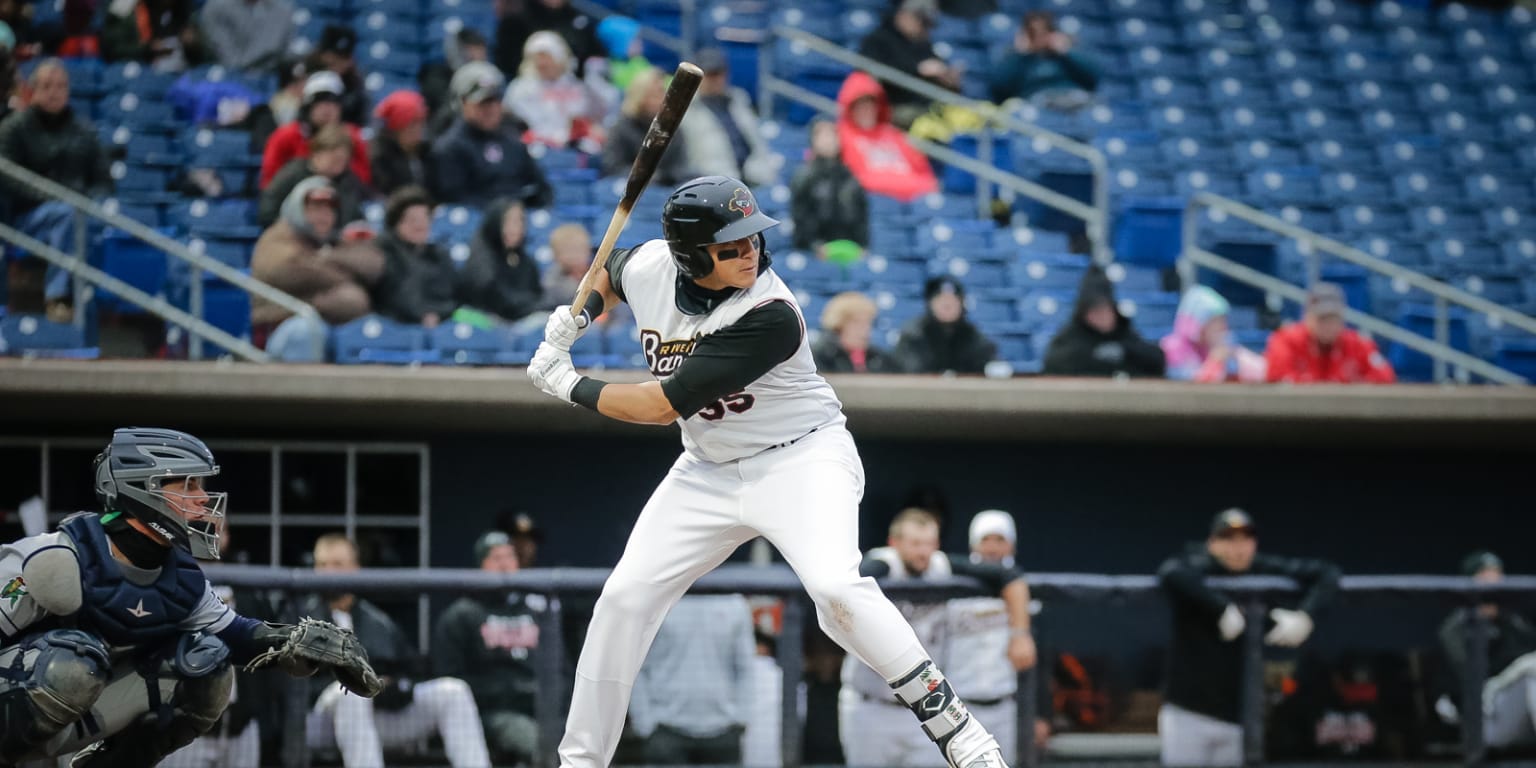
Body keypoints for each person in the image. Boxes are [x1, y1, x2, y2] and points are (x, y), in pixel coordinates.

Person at [526, 175, 1014, 768]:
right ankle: (580, 762)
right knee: (623, 600)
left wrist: (567, 382)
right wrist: (583, 315)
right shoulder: (653, 263)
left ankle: (958, 730)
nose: (748, 252)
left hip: (801, 458)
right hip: (708, 467)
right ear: (688, 255)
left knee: (837, 592)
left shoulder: (771, 312)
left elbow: (658, 407)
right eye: (729, 246)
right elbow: (609, 269)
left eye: (753, 238)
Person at [0, 428, 377, 766]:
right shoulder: (56, 556)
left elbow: (237, 636)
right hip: (14, 712)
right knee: (72, 662)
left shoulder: (180, 577)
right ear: (142, 487)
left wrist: (294, 642)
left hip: (70, 728)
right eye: (188, 486)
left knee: (207, 663)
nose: (202, 499)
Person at [839, 508, 1034, 767]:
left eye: (929, 543)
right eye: (915, 544)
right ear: (894, 543)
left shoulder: (940, 565)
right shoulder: (882, 565)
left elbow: (1010, 576)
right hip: (871, 704)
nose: (923, 552)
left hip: (922, 708)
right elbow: (844, 588)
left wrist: (1020, 634)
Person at [1157, 509, 1342, 767]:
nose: (1237, 548)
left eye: (1244, 539)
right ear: (1212, 543)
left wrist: (1305, 616)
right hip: (1188, 711)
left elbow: (1328, 572)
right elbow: (1169, 572)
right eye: (1228, 539)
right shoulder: (1196, 566)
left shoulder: (1260, 568)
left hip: (1237, 714)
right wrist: (1221, 608)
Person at [300, 533, 493, 768]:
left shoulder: (377, 622)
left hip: (369, 722)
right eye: (322, 565)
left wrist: (394, 685)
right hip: (316, 723)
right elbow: (287, 683)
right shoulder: (299, 619)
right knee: (350, 692)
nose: (328, 572)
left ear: (356, 568)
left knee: (453, 691)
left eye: (338, 564)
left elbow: (412, 671)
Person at [0, 59, 111, 318]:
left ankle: (94, 303)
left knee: (88, 220)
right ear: (33, 90)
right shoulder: (14, 128)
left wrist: (90, 199)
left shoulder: (83, 131)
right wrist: (55, 198)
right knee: (66, 214)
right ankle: (57, 297)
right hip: (25, 218)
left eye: (61, 86)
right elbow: (7, 177)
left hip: (77, 212)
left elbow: (103, 179)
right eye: (47, 86)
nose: (54, 92)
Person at [432, 531, 544, 765]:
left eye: (510, 557)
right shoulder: (461, 615)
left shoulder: (537, 612)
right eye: (496, 558)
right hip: (489, 715)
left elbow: (560, 669)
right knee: (534, 739)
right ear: (481, 565)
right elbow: (451, 684)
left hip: (541, 710)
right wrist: (510, 691)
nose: (504, 564)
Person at [250, 177, 383, 359]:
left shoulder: (331, 240)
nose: (323, 216)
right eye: (315, 209)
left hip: (330, 322)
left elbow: (374, 264)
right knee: (305, 331)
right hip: (278, 327)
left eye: (329, 210)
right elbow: (287, 269)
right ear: (297, 209)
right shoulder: (277, 236)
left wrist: (327, 257)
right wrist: (345, 278)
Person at [630, 594, 757, 765]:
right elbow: (637, 666)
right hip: (666, 731)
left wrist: (741, 719)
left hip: (723, 733)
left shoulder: (735, 604)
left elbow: (745, 667)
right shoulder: (656, 600)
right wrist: (645, 725)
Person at [1437, 550, 1536, 751]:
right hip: (1485, 719)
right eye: (1484, 574)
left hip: (1522, 713)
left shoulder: (1513, 620)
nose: (1494, 580)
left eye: (1497, 573)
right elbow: (1467, 679)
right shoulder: (1456, 629)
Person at [429, 61, 553, 209]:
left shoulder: (514, 143)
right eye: (483, 102)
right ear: (462, 102)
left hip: (518, 223)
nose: (492, 109)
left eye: (496, 100)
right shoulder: (449, 149)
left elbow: (542, 190)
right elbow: (455, 200)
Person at [1042, 267, 1166, 378]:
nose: (1101, 317)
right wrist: (1093, 354)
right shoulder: (1071, 336)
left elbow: (1156, 360)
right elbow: (1053, 362)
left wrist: (1125, 351)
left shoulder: (1123, 334)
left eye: (1104, 310)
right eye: (1095, 311)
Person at [835, 71, 939, 203]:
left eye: (870, 105)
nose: (867, 110)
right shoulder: (841, 136)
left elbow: (929, 181)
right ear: (851, 108)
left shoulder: (896, 135)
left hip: (909, 204)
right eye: (860, 106)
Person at [857, 0, 961, 128]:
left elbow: (936, 70)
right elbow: (872, 73)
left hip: (928, 104)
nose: (921, 25)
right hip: (895, 104)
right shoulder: (878, 39)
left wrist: (948, 79)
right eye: (918, 19)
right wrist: (918, 69)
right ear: (903, 15)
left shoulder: (922, 43)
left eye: (924, 21)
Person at [259, 71, 371, 189]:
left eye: (333, 102)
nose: (327, 109)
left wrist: (339, 167)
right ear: (308, 107)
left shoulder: (352, 135)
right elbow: (269, 181)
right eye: (319, 102)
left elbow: (364, 179)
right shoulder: (285, 135)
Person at [1265, 282, 1396, 384]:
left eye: (1333, 318)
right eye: (1322, 319)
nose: (1328, 326)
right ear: (1307, 317)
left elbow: (1385, 376)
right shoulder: (1285, 340)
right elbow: (1276, 377)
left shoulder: (1358, 343)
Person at [679, 47, 775, 186]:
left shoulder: (739, 100)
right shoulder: (687, 108)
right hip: (712, 181)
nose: (715, 79)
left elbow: (757, 142)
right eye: (710, 74)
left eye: (718, 73)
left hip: (753, 176)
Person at [371, 185, 460, 328]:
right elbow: (395, 296)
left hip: (440, 325)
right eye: (412, 219)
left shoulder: (439, 255)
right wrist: (422, 315)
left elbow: (455, 298)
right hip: (395, 328)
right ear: (396, 223)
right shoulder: (384, 252)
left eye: (425, 218)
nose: (420, 225)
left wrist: (438, 314)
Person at [503, 30, 607, 151]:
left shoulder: (577, 85)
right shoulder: (520, 88)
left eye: (546, 57)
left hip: (575, 146)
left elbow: (598, 115)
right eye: (537, 58)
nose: (542, 63)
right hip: (537, 147)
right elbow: (512, 122)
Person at [258, 123, 368, 228]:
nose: (339, 166)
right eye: (334, 159)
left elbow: (355, 217)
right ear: (317, 154)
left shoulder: (348, 181)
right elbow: (268, 209)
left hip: (335, 241)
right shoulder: (294, 173)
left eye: (343, 161)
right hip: (294, 238)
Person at [988, 11, 1099, 112]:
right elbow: (999, 89)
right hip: (1037, 102)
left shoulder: (1067, 54)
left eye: (1045, 31)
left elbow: (1094, 78)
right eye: (1033, 33)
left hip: (1072, 97)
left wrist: (1065, 52)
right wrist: (1021, 54)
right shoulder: (1015, 57)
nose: (1040, 37)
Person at [457, 197, 543, 325]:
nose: (517, 227)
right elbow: (498, 300)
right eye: (510, 221)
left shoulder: (527, 261)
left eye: (520, 221)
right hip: (489, 323)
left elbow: (536, 293)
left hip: (522, 320)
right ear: (496, 222)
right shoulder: (482, 260)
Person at [604, 66, 695, 185]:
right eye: (655, 94)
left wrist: (665, 177)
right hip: (631, 191)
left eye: (664, 92)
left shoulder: (674, 129)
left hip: (668, 188)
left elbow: (681, 166)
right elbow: (613, 168)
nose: (663, 100)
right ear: (639, 97)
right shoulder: (621, 128)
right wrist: (650, 179)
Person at [790, 119, 869, 254]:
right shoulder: (804, 177)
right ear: (812, 140)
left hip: (851, 249)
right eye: (821, 134)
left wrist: (863, 247)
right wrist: (814, 246)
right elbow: (800, 218)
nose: (828, 139)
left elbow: (862, 218)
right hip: (813, 252)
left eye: (832, 134)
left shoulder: (850, 177)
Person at [1161, 286, 1267, 383]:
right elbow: (1191, 388)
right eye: (1217, 321)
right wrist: (1215, 361)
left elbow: (1263, 371)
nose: (1223, 327)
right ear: (1199, 322)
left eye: (1224, 321)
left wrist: (1235, 359)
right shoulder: (1172, 348)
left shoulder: (1217, 346)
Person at [893, 276, 997, 374]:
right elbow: (908, 371)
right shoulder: (913, 335)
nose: (947, 305)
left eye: (953, 300)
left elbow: (988, 367)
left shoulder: (973, 336)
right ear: (930, 304)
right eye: (941, 300)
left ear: (962, 305)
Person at [495, 0, 601, 82]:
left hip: (573, 85)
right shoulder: (515, 21)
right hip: (530, 84)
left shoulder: (580, 20)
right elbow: (507, 63)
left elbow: (594, 57)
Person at [100, 0, 203, 71]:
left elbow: (202, 50)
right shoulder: (124, 7)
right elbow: (113, 49)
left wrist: (192, 43)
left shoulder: (182, 7)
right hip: (129, 70)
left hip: (175, 69)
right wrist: (148, 49)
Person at [198, 0, 292, 74]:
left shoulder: (282, 8)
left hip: (273, 75)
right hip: (227, 78)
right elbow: (230, 60)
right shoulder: (217, 7)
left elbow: (287, 56)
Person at [814, 291, 896, 373]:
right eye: (857, 323)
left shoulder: (879, 358)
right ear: (839, 326)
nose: (865, 330)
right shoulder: (820, 358)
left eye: (868, 323)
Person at [369, 89, 431, 197]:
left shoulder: (427, 150)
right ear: (395, 129)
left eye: (421, 123)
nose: (418, 130)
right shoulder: (381, 158)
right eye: (411, 125)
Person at [309, 24, 367, 125]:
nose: (339, 65)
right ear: (322, 55)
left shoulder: (355, 83)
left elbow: (362, 120)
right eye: (334, 59)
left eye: (344, 59)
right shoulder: (304, 72)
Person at [542, 222, 593, 309]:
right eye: (568, 251)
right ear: (556, 255)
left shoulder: (598, 272)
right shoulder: (552, 278)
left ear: (588, 250)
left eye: (579, 249)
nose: (574, 256)